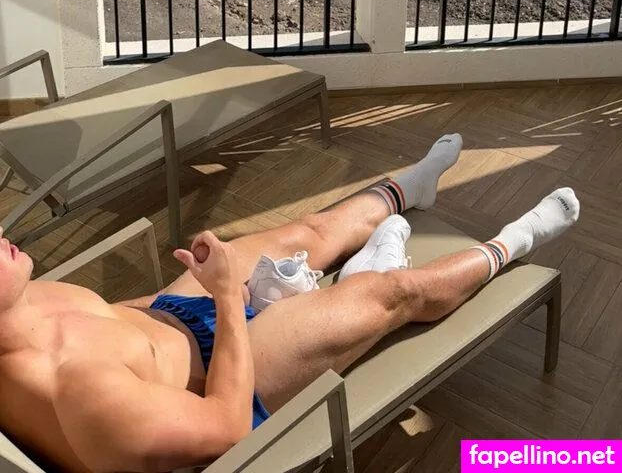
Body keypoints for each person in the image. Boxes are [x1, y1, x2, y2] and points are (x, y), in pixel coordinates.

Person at [0, 134, 579, 473]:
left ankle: (412, 187)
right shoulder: (80, 395)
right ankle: (513, 243)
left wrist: (196, 289)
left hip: (177, 324)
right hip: (226, 387)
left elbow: (114, 323)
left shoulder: (28, 299)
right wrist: (229, 298)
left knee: (306, 231)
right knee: (389, 295)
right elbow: (226, 427)